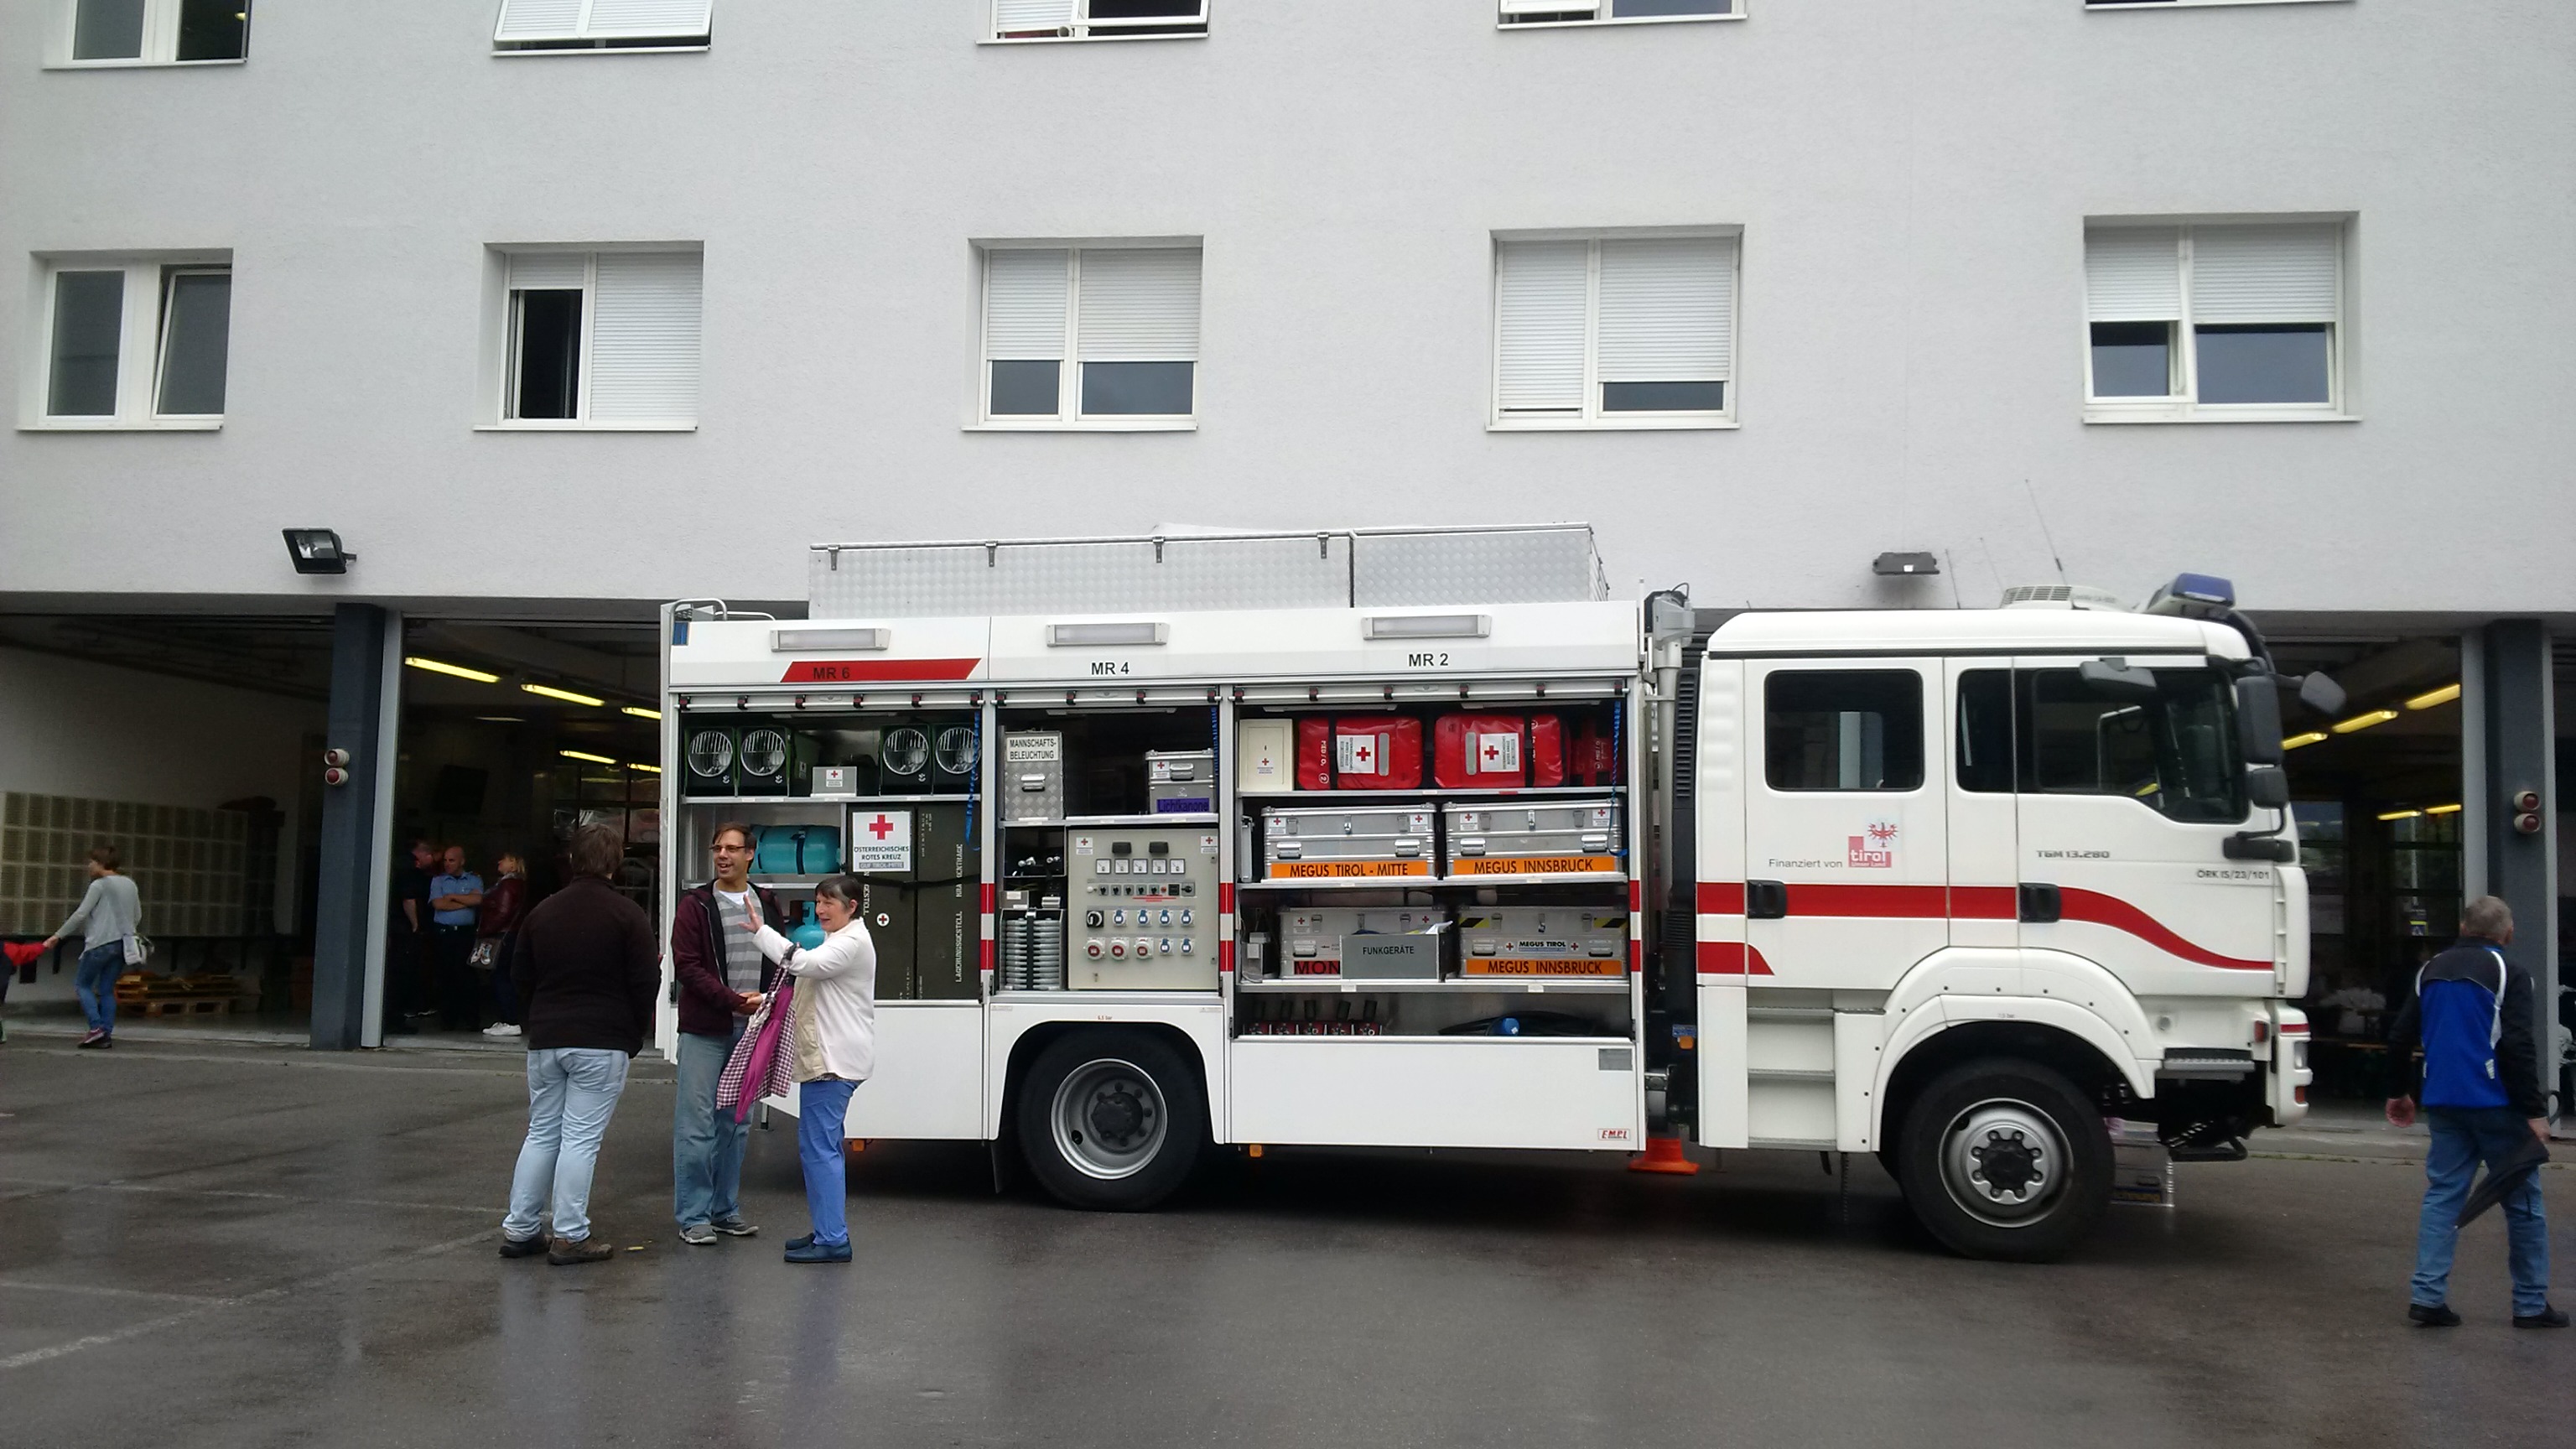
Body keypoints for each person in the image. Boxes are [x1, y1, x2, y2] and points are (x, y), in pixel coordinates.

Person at [2386, 896, 2564, 1328]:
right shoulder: (2509, 973)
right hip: (2496, 1104)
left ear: (2463, 928)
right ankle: (2530, 1304)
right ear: (2508, 933)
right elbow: (2518, 1045)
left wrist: (2399, 1092)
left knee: (2443, 1195)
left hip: (2443, 1101)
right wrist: (2534, 1111)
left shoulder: (2429, 971)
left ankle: (2427, 1297)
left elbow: (2399, 1036)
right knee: (2523, 1202)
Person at [498, 823, 659, 1266]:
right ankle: (570, 1234)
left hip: (547, 1037)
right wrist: (632, 1033)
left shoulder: (543, 912)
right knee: (581, 1139)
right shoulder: (627, 915)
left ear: (572, 860)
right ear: (615, 862)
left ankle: (520, 1228)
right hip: (602, 1038)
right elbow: (646, 980)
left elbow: (520, 974)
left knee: (541, 1132)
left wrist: (536, 1019)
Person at [740, 874, 877, 1265]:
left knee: (819, 1150)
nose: (820, 910)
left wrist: (762, 932)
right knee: (820, 1148)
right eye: (818, 902)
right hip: (833, 1061)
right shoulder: (842, 940)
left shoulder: (851, 942)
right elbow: (813, 985)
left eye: (828, 902)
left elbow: (803, 964)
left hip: (833, 1064)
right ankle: (826, 1230)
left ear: (852, 907)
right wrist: (767, 997)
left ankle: (833, 1238)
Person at [668, 823, 782, 1245]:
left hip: (749, 1029)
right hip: (705, 1029)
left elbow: (779, 959)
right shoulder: (696, 905)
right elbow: (688, 967)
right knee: (696, 1125)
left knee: (735, 1125)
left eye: (732, 849)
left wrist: (767, 1002)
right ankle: (694, 1216)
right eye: (717, 848)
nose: (722, 855)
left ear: (750, 854)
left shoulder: (766, 903)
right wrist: (733, 1000)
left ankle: (724, 1210)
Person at [41, 846, 142, 1050]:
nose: (89, 866)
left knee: (83, 985)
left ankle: (96, 1028)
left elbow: (81, 914)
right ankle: (106, 1033)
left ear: (102, 863)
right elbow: (137, 915)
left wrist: (57, 936)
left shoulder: (99, 885)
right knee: (106, 989)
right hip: (122, 944)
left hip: (100, 943)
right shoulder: (130, 884)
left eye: (92, 862)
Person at [428, 844, 486, 1031]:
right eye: (445, 860)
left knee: (468, 976)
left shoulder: (474, 879)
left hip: (465, 934)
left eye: (451, 860)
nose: (447, 864)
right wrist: (465, 902)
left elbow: (478, 900)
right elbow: (439, 904)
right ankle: (448, 1020)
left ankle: (471, 1019)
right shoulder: (438, 880)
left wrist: (452, 896)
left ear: (462, 861)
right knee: (446, 976)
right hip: (444, 934)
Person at [384, 838, 437, 1036]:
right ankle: (394, 1019)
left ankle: (393, 1017)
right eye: (431, 855)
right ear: (423, 854)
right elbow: (409, 899)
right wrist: (415, 924)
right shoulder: (408, 869)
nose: (432, 860)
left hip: (394, 928)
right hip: (402, 930)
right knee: (402, 975)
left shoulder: (397, 865)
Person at [477, 853, 531, 1039]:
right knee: (505, 976)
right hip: (511, 935)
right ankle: (506, 1018)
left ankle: (510, 1020)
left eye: (505, 859)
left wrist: (484, 931)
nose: (499, 862)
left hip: (502, 936)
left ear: (514, 865)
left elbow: (503, 912)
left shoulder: (508, 885)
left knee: (501, 977)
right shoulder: (518, 884)